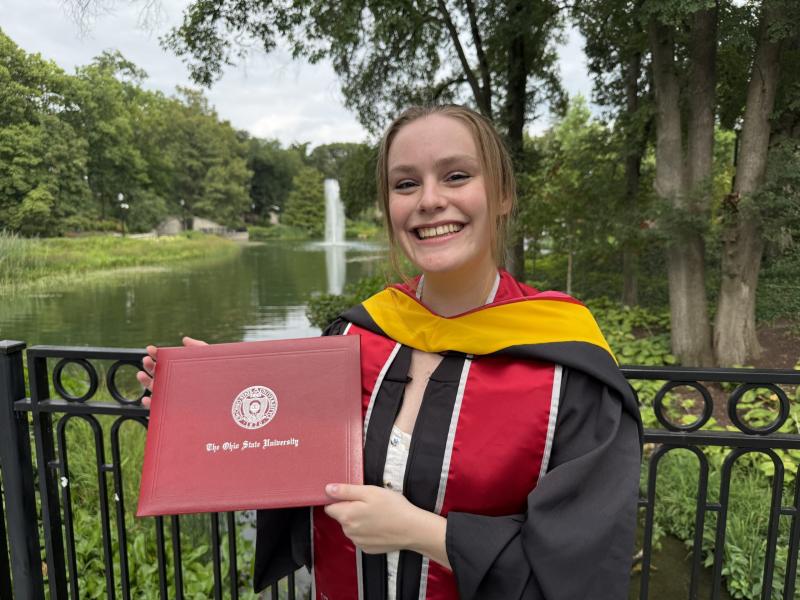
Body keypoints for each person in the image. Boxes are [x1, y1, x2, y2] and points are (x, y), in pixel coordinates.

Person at [138, 104, 642, 600]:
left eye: (456, 175)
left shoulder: (566, 367)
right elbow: (286, 460)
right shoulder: (353, 339)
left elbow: (583, 569)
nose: (429, 200)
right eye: (405, 184)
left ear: (503, 194)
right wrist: (208, 404)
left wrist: (425, 533)